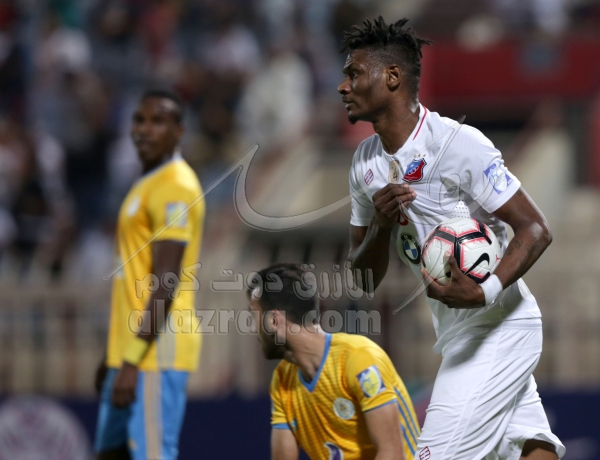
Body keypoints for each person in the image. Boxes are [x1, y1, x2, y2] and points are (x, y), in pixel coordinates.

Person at [339, 17, 565, 460]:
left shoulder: (456, 143)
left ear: (392, 77)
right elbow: (362, 279)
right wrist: (381, 226)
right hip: (455, 330)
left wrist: (485, 291)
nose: (343, 86)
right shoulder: (364, 163)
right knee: (531, 450)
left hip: (499, 323)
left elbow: (535, 228)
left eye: (354, 73)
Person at [94, 90, 205, 460]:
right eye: (139, 120)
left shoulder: (176, 186)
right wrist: (114, 355)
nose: (144, 129)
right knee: (110, 453)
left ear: (179, 131)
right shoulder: (148, 183)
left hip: (156, 351)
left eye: (158, 121)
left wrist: (131, 360)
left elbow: (166, 281)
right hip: (129, 350)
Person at [248, 263, 420, 460]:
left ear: (273, 321)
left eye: (254, 316)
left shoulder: (359, 358)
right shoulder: (282, 380)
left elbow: (392, 454)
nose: (252, 328)